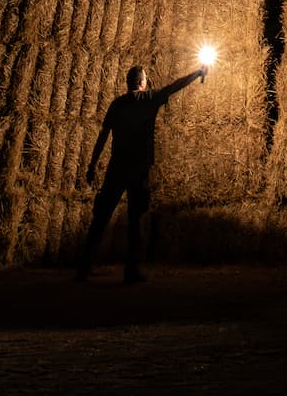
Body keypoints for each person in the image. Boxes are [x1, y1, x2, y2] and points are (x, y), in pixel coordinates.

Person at [75, 62, 206, 282]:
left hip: (116, 168)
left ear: (128, 83)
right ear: (143, 82)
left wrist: (91, 165)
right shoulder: (149, 99)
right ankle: (131, 270)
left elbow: (103, 136)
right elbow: (175, 86)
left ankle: (84, 267)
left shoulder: (117, 104)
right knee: (135, 220)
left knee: (101, 217)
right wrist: (197, 72)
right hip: (138, 169)